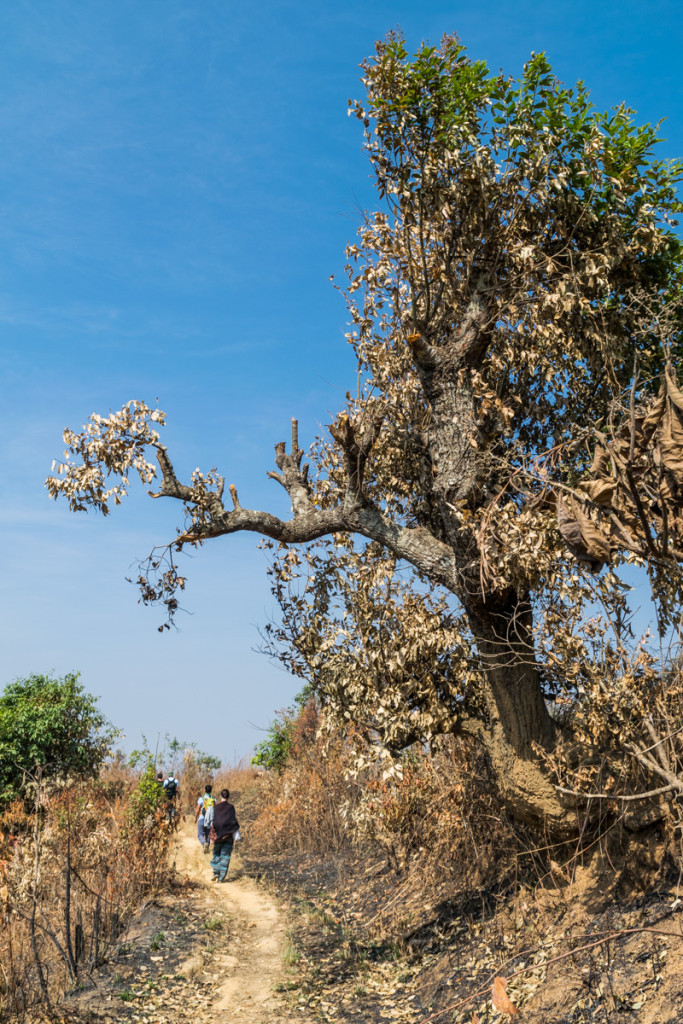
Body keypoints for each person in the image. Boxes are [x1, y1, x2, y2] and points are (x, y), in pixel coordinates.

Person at [210, 789, 239, 883]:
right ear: (228, 796)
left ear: (220, 796)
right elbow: (233, 820)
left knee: (216, 853)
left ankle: (216, 873)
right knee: (225, 856)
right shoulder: (231, 807)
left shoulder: (216, 807)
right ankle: (221, 878)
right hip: (228, 834)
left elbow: (213, 820)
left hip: (217, 834)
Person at [195, 784, 215, 851]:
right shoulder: (213, 799)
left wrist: (195, 818)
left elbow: (197, 810)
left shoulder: (201, 799)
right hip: (209, 820)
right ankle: (207, 848)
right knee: (208, 834)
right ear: (211, 791)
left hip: (202, 818)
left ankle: (204, 843)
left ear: (204, 790)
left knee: (200, 835)